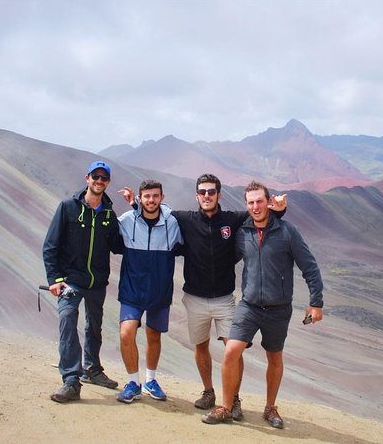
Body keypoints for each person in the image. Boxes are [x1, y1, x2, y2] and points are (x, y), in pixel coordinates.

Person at [119, 174, 286, 419]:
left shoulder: (233, 219)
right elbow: (154, 213)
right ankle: (208, 392)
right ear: (197, 195)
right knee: (201, 347)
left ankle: (234, 400)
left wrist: (280, 211)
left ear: (219, 194)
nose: (206, 196)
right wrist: (136, 205)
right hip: (195, 297)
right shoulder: (185, 219)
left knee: (233, 349)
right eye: (202, 192)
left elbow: (261, 216)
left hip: (224, 298)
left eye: (211, 191)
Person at [201, 180, 324, 429]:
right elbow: (226, 257)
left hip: (279, 308)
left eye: (259, 201)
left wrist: (316, 303)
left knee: (274, 357)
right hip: (249, 306)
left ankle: (270, 408)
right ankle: (226, 406)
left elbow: (309, 266)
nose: (255, 206)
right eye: (251, 202)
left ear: (268, 202)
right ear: (246, 205)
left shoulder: (288, 232)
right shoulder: (243, 232)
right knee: (231, 351)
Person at [42, 160, 124, 403]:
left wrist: (137, 215)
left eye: (104, 178)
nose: (99, 181)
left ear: (108, 182)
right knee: (67, 320)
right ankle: (71, 380)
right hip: (70, 281)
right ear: (87, 178)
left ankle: (92, 369)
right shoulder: (68, 207)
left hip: (97, 282)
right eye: (95, 177)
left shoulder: (109, 214)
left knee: (94, 326)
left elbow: (118, 247)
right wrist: (55, 279)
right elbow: (50, 246)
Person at [115, 180, 184, 403]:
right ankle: (133, 382)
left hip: (159, 291)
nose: (151, 200)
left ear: (162, 197)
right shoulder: (126, 220)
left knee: (154, 336)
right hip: (132, 289)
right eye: (146, 196)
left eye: (155, 196)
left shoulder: (173, 224)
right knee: (127, 333)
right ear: (140, 198)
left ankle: (150, 380)